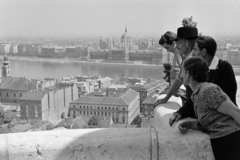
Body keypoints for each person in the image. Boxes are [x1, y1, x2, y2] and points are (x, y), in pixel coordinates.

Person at [178, 56, 240, 160]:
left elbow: (236, 112)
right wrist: (190, 125)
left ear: (188, 74)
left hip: (232, 141)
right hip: (221, 144)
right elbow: (213, 121)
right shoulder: (197, 94)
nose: (180, 74)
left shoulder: (208, 90)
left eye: (182, 71)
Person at [168, 36, 237, 126]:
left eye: (195, 50)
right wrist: (181, 113)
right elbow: (196, 97)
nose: (193, 54)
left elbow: (226, 99)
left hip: (224, 124)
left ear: (203, 51)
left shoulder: (224, 68)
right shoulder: (199, 69)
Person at [154, 19, 198, 107]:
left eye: (178, 43)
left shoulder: (189, 59)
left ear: (186, 43)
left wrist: (165, 98)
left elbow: (178, 79)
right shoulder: (191, 56)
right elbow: (179, 79)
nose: (176, 47)